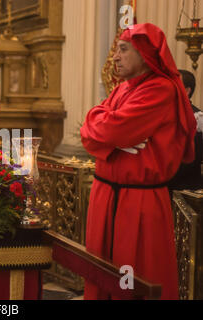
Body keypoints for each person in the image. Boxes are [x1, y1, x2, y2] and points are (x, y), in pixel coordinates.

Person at [80, 23, 197, 300]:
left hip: (137, 201)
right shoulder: (122, 89)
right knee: (100, 271)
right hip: (105, 194)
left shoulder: (161, 89)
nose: (115, 58)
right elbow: (92, 129)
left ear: (145, 53)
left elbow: (110, 130)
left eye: (123, 50)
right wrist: (109, 132)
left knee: (132, 277)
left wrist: (110, 133)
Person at [168, 70, 203, 190]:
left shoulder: (197, 118)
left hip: (184, 189)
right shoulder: (163, 113)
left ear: (187, 91)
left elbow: (191, 159)